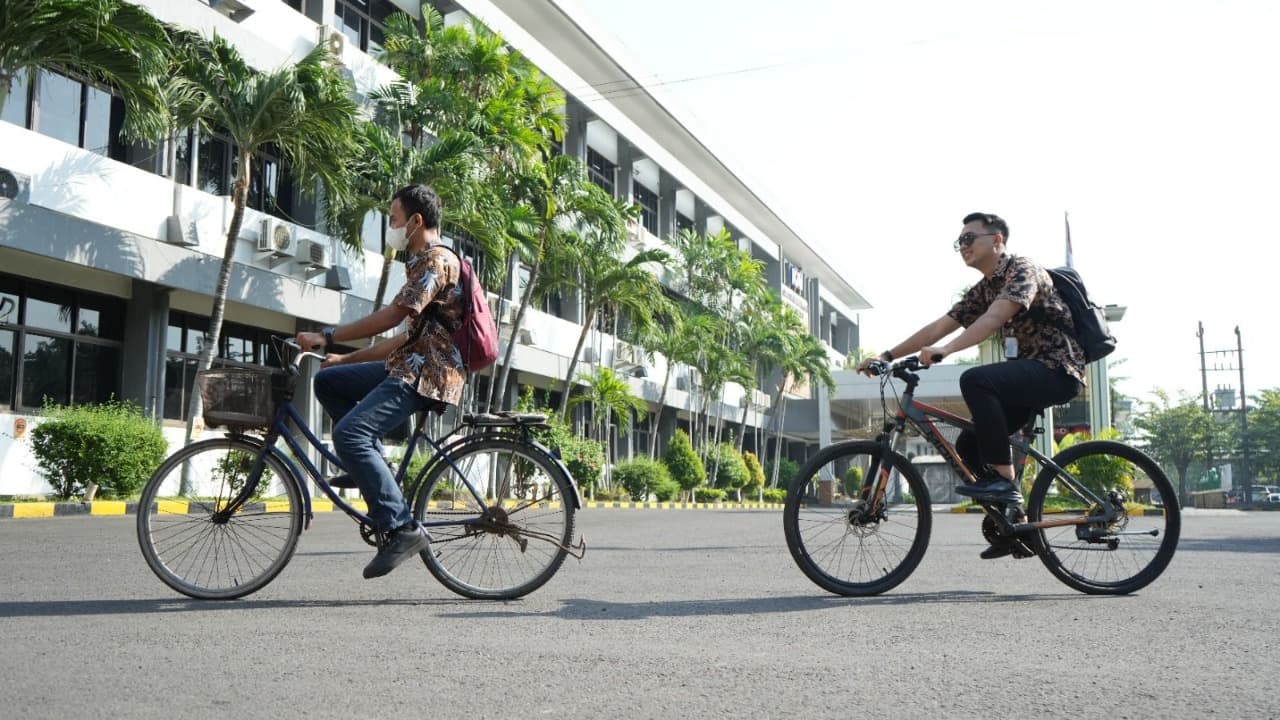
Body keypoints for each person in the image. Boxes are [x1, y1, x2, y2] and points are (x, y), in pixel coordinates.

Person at [857, 212, 1085, 558]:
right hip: (1028, 373)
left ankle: (1006, 488)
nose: (962, 246)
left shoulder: (1023, 269)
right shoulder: (984, 287)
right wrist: (886, 355)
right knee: (969, 444)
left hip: (1057, 369)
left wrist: (946, 351)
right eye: (958, 242)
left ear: (997, 240)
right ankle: (1015, 526)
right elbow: (939, 326)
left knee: (976, 380)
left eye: (969, 238)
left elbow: (994, 318)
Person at [295, 184, 465, 579]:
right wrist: (345, 358)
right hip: (413, 362)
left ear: (416, 221)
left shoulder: (436, 261)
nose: (390, 227)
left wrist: (329, 335)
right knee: (330, 382)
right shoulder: (426, 263)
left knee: (350, 435)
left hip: (428, 374)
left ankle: (403, 528)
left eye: (393, 219)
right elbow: (404, 334)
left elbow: (392, 316)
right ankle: (369, 468)